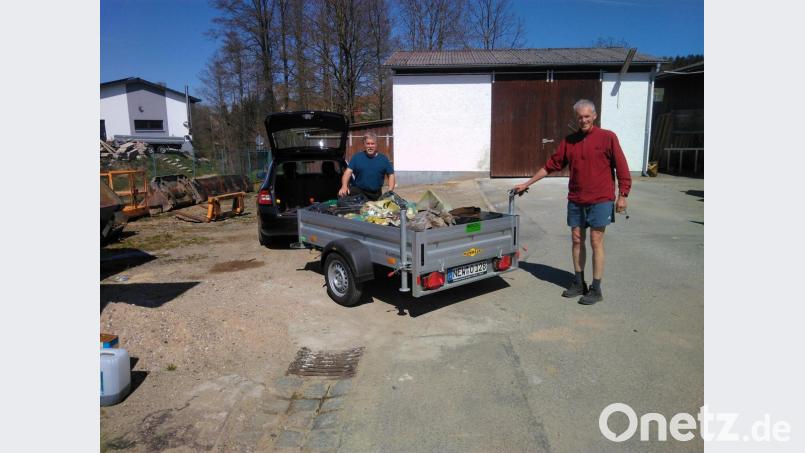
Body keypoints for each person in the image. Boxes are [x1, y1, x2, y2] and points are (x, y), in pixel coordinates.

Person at [513, 99, 631, 305]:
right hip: (576, 199)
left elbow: (621, 167)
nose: (584, 120)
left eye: (587, 116)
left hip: (601, 198)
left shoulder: (608, 138)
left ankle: (596, 287)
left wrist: (623, 195)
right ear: (576, 118)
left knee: (596, 241)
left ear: (594, 116)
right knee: (577, 239)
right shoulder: (570, 141)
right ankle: (578, 282)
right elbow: (550, 165)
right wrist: (527, 183)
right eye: (580, 117)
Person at [338, 132, 395, 201]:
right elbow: (347, 173)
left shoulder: (383, 159)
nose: (370, 146)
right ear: (364, 145)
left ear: (376, 145)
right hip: (359, 191)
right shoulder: (357, 157)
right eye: (368, 144)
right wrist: (344, 186)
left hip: (376, 194)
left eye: (372, 144)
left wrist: (390, 191)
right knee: (342, 194)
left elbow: (391, 175)